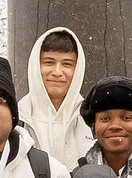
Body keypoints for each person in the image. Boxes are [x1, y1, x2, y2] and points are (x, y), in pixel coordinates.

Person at [20, 26, 94, 165]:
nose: (57, 72)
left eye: (67, 64)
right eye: (49, 62)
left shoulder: (92, 119)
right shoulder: (17, 119)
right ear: (36, 65)